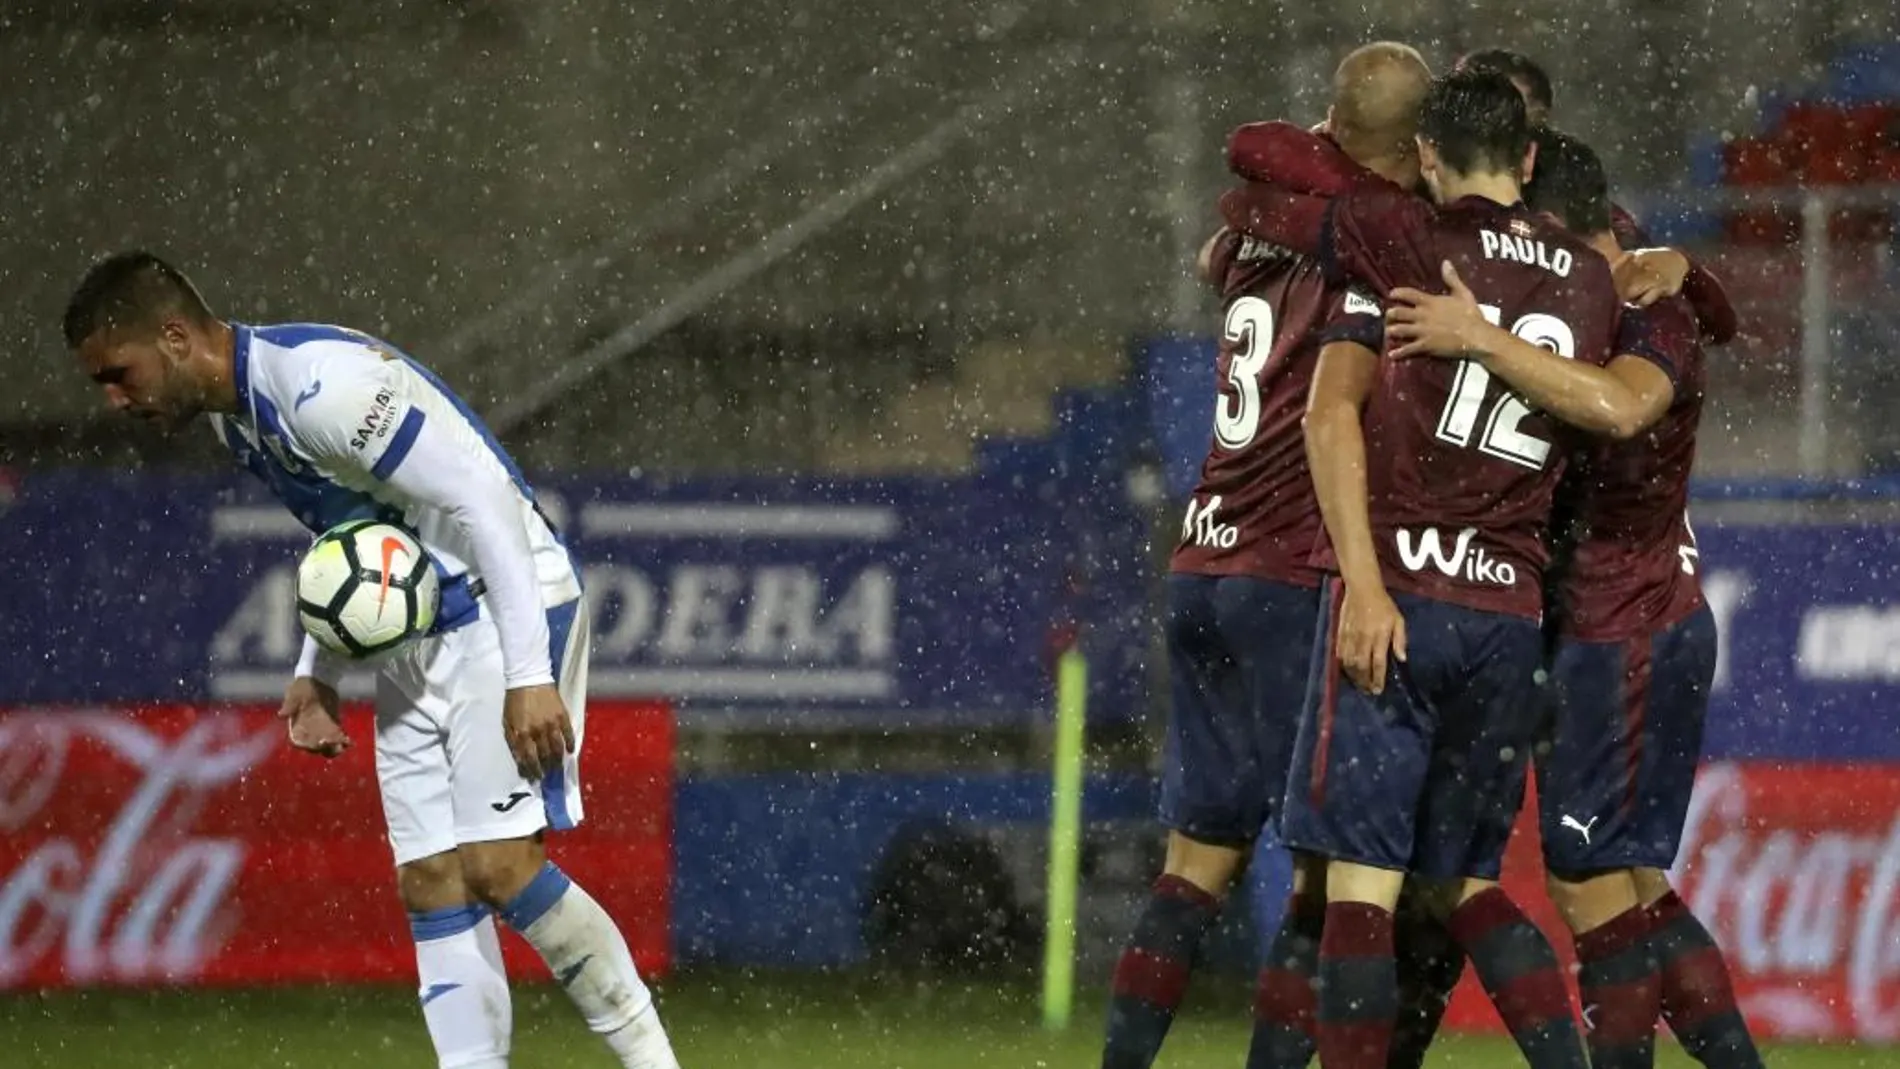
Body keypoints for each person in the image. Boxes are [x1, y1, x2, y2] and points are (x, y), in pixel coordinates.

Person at [63, 251, 681, 1069]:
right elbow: (355, 540)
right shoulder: (237, 417)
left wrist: (530, 674)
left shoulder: (323, 389)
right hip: (418, 635)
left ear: (173, 336)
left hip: (503, 610)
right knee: (431, 879)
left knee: (500, 865)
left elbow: (483, 497)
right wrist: (318, 668)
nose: (115, 399)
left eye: (118, 372)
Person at [1219, 69, 1621, 1069]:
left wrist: (1360, 580)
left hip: (1400, 594)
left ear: (1429, 158)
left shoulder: (1403, 243)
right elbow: (1611, 406)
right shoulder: (1588, 274)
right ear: (1528, 158)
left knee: (1354, 883)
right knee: (1467, 883)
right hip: (1508, 615)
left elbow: (1251, 197)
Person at [1384, 129, 1765, 1069]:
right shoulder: (1612, 278)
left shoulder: (1643, 306)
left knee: (1591, 881)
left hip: (1624, 625)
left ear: (1553, 222)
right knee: (1622, 882)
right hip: (1591, 623)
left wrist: (1480, 336)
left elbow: (1624, 406)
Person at [1100, 42, 1436, 1069]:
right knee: (1322, 868)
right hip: (1293, 569)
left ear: (1331, 128)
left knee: (1194, 865)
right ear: (1415, 148)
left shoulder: (1253, 233)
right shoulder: (1382, 240)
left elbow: (1226, 225)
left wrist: (1300, 172)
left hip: (1204, 554)